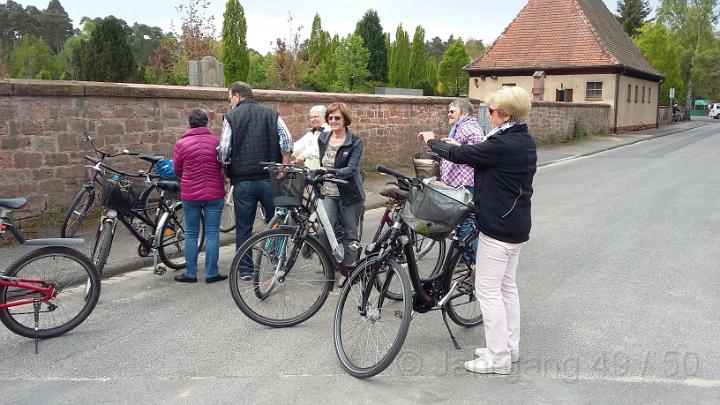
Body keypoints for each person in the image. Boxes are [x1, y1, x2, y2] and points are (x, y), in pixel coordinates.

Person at [418, 86, 537, 375]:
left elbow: (464, 155)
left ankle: (498, 358)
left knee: (488, 291)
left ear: (506, 114)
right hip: (515, 224)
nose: (489, 115)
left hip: (498, 227)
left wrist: (434, 142)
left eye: (493, 111)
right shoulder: (522, 140)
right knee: (507, 287)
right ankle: (510, 347)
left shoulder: (503, 144)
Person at [217, 82, 293, 279]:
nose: (230, 103)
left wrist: (225, 167)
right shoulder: (272, 113)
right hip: (270, 178)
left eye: (230, 99)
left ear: (237, 96)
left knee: (244, 227)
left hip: (243, 181)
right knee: (276, 221)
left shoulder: (230, 117)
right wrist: (284, 167)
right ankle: (276, 260)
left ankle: (245, 270)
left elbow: (224, 150)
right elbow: (287, 141)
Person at [173, 109, 227, 283]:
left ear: (190, 123)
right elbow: (222, 165)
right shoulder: (216, 143)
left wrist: (187, 179)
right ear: (206, 123)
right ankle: (211, 273)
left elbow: (177, 170)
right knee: (212, 233)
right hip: (214, 193)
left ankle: (190, 273)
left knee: (191, 233)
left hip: (190, 194)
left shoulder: (181, 144)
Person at [318, 102, 365, 275]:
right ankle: (332, 264)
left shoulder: (355, 142)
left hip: (350, 194)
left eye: (337, 117)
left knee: (350, 234)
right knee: (322, 232)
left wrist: (331, 172)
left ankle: (351, 270)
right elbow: (322, 161)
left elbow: (351, 169)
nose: (333, 120)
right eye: (330, 117)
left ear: (345, 120)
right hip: (329, 192)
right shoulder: (323, 138)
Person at [293, 105, 330, 169]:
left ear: (324, 117)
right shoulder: (311, 132)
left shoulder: (328, 130)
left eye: (316, 116)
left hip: (322, 170)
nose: (313, 119)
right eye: (311, 117)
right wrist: (288, 150)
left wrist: (303, 156)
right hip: (309, 170)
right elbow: (299, 145)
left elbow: (317, 148)